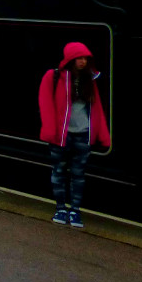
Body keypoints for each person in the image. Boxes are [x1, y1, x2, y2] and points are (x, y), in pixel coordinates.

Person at [38, 41, 111, 228]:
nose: (83, 62)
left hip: (83, 133)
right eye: (79, 58)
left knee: (78, 173)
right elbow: (45, 103)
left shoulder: (90, 80)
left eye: (85, 58)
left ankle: (75, 210)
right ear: (70, 59)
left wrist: (102, 134)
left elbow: (96, 109)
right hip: (61, 134)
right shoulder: (53, 77)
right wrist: (49, 129)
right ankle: (61, 208)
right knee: (59, 171)